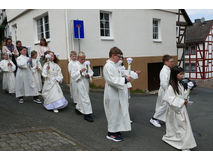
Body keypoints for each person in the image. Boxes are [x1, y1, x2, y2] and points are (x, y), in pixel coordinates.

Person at [162, 66, 197, 151]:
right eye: (180, 74)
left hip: (180, 109)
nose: (182, 75)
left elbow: (182, 95)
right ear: (175, 75)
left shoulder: (179, 84)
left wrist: (188, 89)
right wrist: (182, 102)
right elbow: (170, 99)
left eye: (182, 74)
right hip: (175, 110)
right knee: (181, 127)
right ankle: (183, 145)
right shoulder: (171, 87)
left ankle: (184, 143)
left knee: (182, 127)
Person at [103, 47, 132, 142]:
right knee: (113, 113)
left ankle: (116, 130)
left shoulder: (115, 65)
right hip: (112, 93)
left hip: (117, 92)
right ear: (113, 55)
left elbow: (121, 75)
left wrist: (132, 75)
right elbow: (111, 80)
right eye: (119, 56)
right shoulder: (108, 66)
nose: (120, 59)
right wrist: (124, 80)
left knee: (117, 112)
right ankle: (111, 133)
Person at [150, 55, 174, 127]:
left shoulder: (168, 69)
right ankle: (153, 118)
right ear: (166, 62)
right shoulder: (164, 71)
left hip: (167, 90)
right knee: (164, 105)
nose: (172, 63)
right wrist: (169, 91)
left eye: (173, 61)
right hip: (165, 90)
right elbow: (163, 83)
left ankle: (165, 119)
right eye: (171, 61)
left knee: (166, 105)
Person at [116, 56, 141, 123]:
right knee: (119, 104)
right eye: (119, 58)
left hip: (124, 88)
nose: (120, 60)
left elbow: (128, 74)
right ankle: (119, 118)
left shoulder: (122, 67)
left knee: (126, 103)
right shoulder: (113, 67)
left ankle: (125, 118)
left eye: (121, 58)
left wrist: (135, 73)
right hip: (118, 88)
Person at [71, 51, 94, 122]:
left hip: (86, 82)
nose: (83, 60)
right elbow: (73, 75)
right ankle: (87, 114)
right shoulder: (75, 65)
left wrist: (89, 75)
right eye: (82, 59)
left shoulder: (86, 64)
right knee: (85, 98)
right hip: (80, 82)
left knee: (82, 97)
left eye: (84, 59)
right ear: (78, 58)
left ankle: (78, 108)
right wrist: (80, 72)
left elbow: (91, 72)